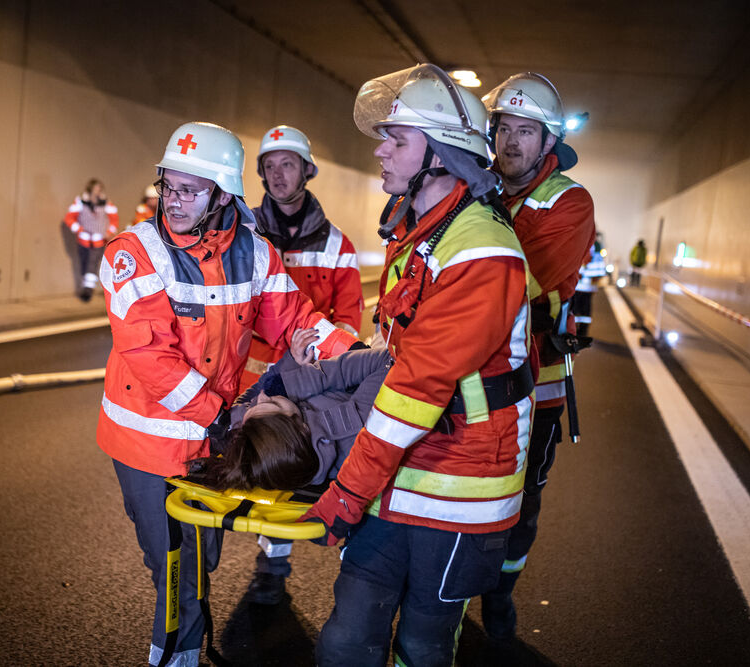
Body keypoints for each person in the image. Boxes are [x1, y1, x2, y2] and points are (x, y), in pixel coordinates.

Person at [97, 121, 358, 667]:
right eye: (169, 185)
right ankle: (176, 655)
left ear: (222, 194)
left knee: (201, 558)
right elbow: (151, 358)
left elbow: (295, 320)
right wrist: (219, 416)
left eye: (189, 190)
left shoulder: (255, 253)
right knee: (175, 568)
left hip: (213, 437)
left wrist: (350, 354)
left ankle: (191, 632)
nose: (174, 200)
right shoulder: (133, 254)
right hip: (150, 442)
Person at [302, 64, 535, 666]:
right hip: (401, 468)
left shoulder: (480, 246)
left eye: (395, 139)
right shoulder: (420, 232)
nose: (379, 149)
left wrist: (349, 488)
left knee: (424, 645)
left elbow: (415, 386)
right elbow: (402, 352)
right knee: (347, 638)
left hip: (461, 486)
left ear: (439, 154)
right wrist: (339, 359)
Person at [480, 72, 596, 643]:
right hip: (468, 376)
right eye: (503, 128)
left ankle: (499, 598)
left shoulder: (568, 202)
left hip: (537, 381)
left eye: (526, 131)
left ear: (548, 142)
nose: (511, 142)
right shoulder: (473, 185)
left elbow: (520, 284)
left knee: (521, 504)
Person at [240, 125, 365, 604]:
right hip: (258, 379)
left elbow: (349, 318)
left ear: (307, 171)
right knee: (267, 469)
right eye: (269, 166)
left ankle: (352, 567)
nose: (277, 174)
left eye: (287, 164)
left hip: (314, 381)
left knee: (314, 466)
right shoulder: (243, 231)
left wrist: (327, 368)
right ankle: (271, 562)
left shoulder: (338, 245)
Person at [196, 330, 390, 493]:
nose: (263, 396)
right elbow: (387, 361)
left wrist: (290, 363)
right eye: (274, 403)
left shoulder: (257, 440)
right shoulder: (351, 429)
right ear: (300, 426)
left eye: (253, 408)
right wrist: (291, 385)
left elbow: (248, 401)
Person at [63, 178, 119, 301]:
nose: (98, 191)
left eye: (99, 189)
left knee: (92, 263)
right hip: (84, 239)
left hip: (99, 239)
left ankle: (88, 290)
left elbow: (114, 218)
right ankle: (86, 285)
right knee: (84, 263)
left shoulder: (106, 203)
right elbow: (69, 218)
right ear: (90, 189)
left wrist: (109, 232)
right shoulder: (80, 201)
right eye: (96, 189)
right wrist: (78, 229)